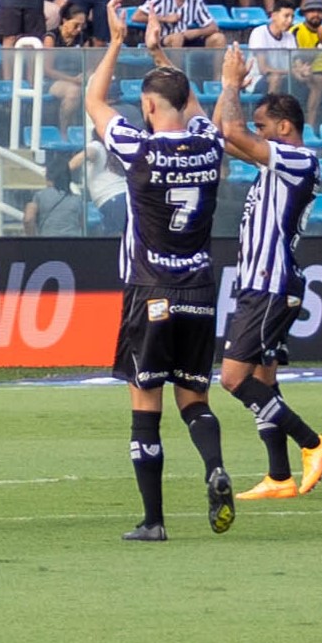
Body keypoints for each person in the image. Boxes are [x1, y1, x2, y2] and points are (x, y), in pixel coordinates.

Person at [84, 43, 238, 542]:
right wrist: (168, 59)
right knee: (193, 395)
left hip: (150, 288)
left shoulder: (139, 146)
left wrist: (113, 41)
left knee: (144, 400)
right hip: (199, 287)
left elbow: (93, 98)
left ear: (148, 108)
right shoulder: (208, 143)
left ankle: (154, 520)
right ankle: (214, 465)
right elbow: (195, 109)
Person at [209, 46, 322, 502]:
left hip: (270, 282)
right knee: (264, 377)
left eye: (264, 127)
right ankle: (279, 475)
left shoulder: (298, 159)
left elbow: (234, 129)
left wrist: (231, 83)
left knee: (234, 379)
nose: (255, 135)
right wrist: (229, 88)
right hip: (261, 281)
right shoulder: (273, 163)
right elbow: (224, 136)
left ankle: (314, 444)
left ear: (284, 127)